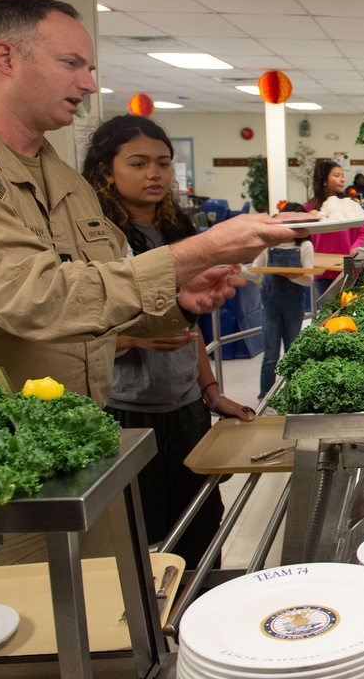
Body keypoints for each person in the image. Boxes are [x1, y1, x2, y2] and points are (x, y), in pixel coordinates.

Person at [0, 0, 307, 565]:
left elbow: (96, 298)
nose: (87, 82)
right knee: (19, 640)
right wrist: (193, 252)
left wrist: (176, 302)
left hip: (85, 446)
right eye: (72, 64)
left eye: (91, 68)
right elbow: (34, 299)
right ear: (6, 58)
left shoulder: (65, 182)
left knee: (114, 622)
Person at [82, 113, 254, 568]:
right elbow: (72, 327)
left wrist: (211, 392)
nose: (154, 174)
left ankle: (196, 626)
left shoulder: (179, 235)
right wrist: (131, 338)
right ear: (105, 170)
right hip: (125, 412)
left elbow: (189, 326)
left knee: (200, 525)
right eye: (138, 163)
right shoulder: (98, 244)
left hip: (185, 410)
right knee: (138, 537)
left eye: (162, 163)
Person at [250, 202, 314, 399]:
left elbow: (308, 279)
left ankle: (293, 396)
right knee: (270, 355)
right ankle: (265, 397)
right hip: (270, 305)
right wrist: (238, 271)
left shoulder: (305, 245)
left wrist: (290, 275)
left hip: (294, 306)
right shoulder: (268, 245)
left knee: (293, 353)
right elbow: (256, 272)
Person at [306, 160, 364, 303]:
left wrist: (356, 247)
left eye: (342, 175)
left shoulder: (351, 205)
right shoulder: (310, 209)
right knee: (327, 317)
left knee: (349, 314)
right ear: (323, 180)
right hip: (322, 272)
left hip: (347, 270)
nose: (342, 179)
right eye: (336, 175)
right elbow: (302, 237)